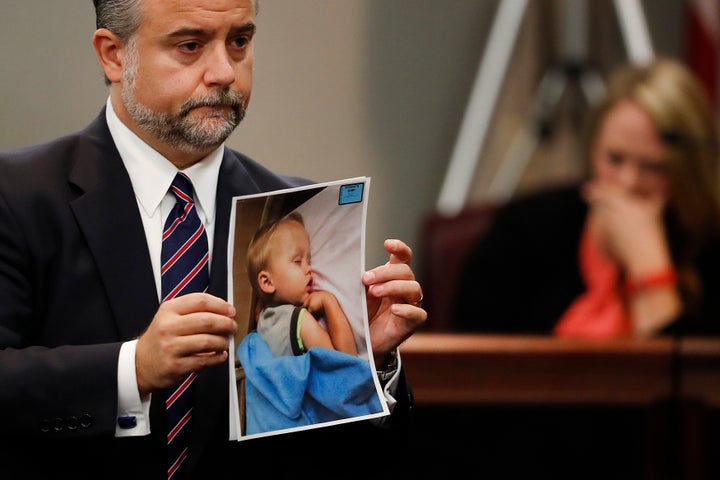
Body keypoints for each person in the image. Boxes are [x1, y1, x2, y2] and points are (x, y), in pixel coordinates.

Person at [0, 1, 426, 479]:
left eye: (240, 42)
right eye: (190, 45)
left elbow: (351, 460)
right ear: (114, 55)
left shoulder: (292, 214)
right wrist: (132, 368)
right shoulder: (16, 197)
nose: (224, 72)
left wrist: (374, 360)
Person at [455, 57, 720, 338]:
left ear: (689, 169)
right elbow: (469, 368)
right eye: (614, 159)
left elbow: (690, 379)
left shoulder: (711, 244)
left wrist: (649, 267)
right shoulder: (525, 230)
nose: (627, 182)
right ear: (594, 148)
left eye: (653, 167)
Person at [246, 211, 358, 357]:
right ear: (267, 282)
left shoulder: (262, 319)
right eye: (297, 261)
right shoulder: (300, 321)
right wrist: (329, 302)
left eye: (309, 261)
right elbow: (347, 366)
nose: (309, 269)